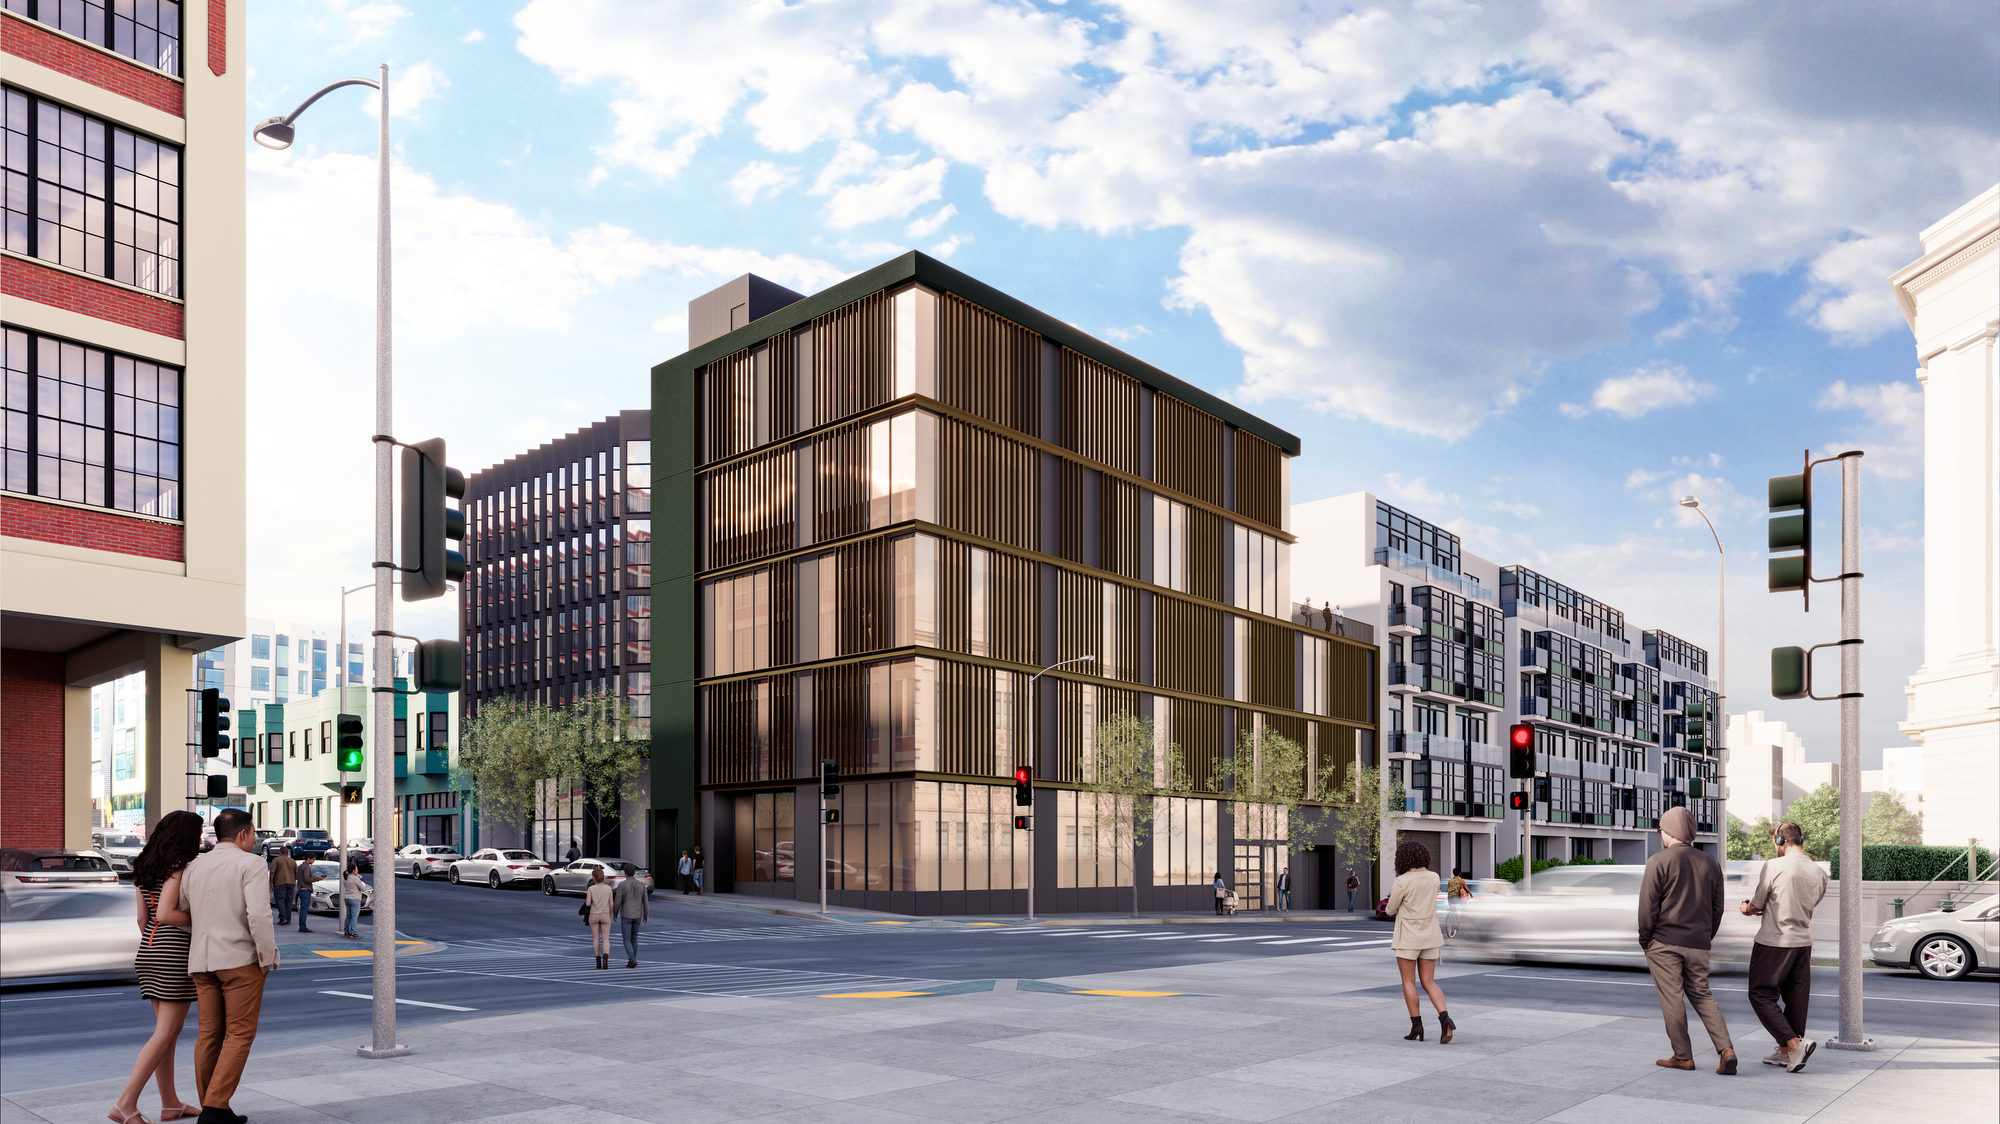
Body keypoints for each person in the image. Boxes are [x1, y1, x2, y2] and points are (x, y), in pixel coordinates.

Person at [179, 807, 278, 1124]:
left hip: (202, 961)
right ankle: (215, 1108)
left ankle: (215, 1107)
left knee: (208, 1035)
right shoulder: (251, 863)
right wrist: (266, 956)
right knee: (239, 1035)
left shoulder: (195, 866)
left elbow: (184, 909)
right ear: (243, 834)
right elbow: (259, 915)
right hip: (239, 960)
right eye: (254, 834)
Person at [109, 810, 205, 1124]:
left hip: (148, 950)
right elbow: (166, 914)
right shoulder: (178, 867)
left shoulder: (144, 864)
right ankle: (125, 1104)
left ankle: (170, 1104)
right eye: (198, 833)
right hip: (173, 951)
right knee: (166, 1031)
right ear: (186, 837)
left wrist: (155, 945)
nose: (201, 839)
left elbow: (143, 918)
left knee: (167, 1033)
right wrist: (205, 923)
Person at [1639, 805, 1737, 1075]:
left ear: (1668, 831)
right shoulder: (1711, 863)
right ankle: (1726, 1049)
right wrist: (1705, 936)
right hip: (1699, 943)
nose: (1660, 834)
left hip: (1664, 942)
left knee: (1672, 998)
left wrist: (1645, 939)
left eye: (1661, 829)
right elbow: (1717, 909)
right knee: (1703, 996)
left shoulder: (1658, 861)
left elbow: (1648, 907)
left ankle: (1683, 1057)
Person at [1742, 821, 1827, 1073]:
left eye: (1774, 841)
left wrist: (1747, 908)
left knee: (1760, 994)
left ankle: (1793, 1045)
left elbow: (1757, 904)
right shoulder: (1819, 872)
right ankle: (1784, 1054)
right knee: (1796, 999)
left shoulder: (1774, 866)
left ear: (1781, 841)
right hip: (1803, 942)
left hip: (1775, 941)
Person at [1385, 840, 1454, 1043]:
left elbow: (1390, 909)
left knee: (1408, 981)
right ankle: (1445, 1019)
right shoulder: (1434, 878)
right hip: (1430, 935)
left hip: (1408, 937)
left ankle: (1417, 1026)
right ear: (1424, 856)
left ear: (1402, 859)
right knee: (1429, 981)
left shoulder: (1402, 881)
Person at [614, 862, 650, 968]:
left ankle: (632, 959)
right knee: (634, 938)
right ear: (634, 873)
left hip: (626, 914)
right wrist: (646, 914)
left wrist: (615, 913)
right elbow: (646, 902)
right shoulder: (642, 885)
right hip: (638, 915)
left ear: (625, 873)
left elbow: (617, 902)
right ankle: (632, 959)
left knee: (626, 938)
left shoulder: (621, 885)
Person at [585, 868, 615, 969]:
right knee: (605, 938)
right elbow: (611, 904)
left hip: (594, 914)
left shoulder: (591, 889)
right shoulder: (608, 888)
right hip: (605, 914)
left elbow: (588, 903)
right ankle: (605, 956)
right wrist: (610, 914)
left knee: (596, 938)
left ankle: (598, 959)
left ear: (594, 877)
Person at [269, 845, 297, 927]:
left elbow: (272, 871)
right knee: (288, 902)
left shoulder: (276, 860)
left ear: (280, 852)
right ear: (287, 853)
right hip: (291, 883)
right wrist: (293, 880)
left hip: (280, 883)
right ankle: (288, 919)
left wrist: (271, 882)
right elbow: (296, 873)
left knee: (280, 900)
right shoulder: (293, 861)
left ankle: (283, 918)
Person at [340, 861, 366, 939]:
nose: (357, 870)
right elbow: (363, 888)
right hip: (355, 898)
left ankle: (346, 931)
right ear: (353, 870)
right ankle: (353, 933)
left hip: (347, 898)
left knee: (348, 915)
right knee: (354, 916)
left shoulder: (345, 878)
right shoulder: (355, 878)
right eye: (356, 869)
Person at [293, 857, 318, 932]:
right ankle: (302, 926)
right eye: (313, 859)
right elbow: (307, 879)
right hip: (305, 889)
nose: (313, 861)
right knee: (304, 909)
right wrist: (316, 878)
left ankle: (302, 925)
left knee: (303, 908)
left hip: (301, 889)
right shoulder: (306, 867)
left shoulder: (301, 866)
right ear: (308, 858)